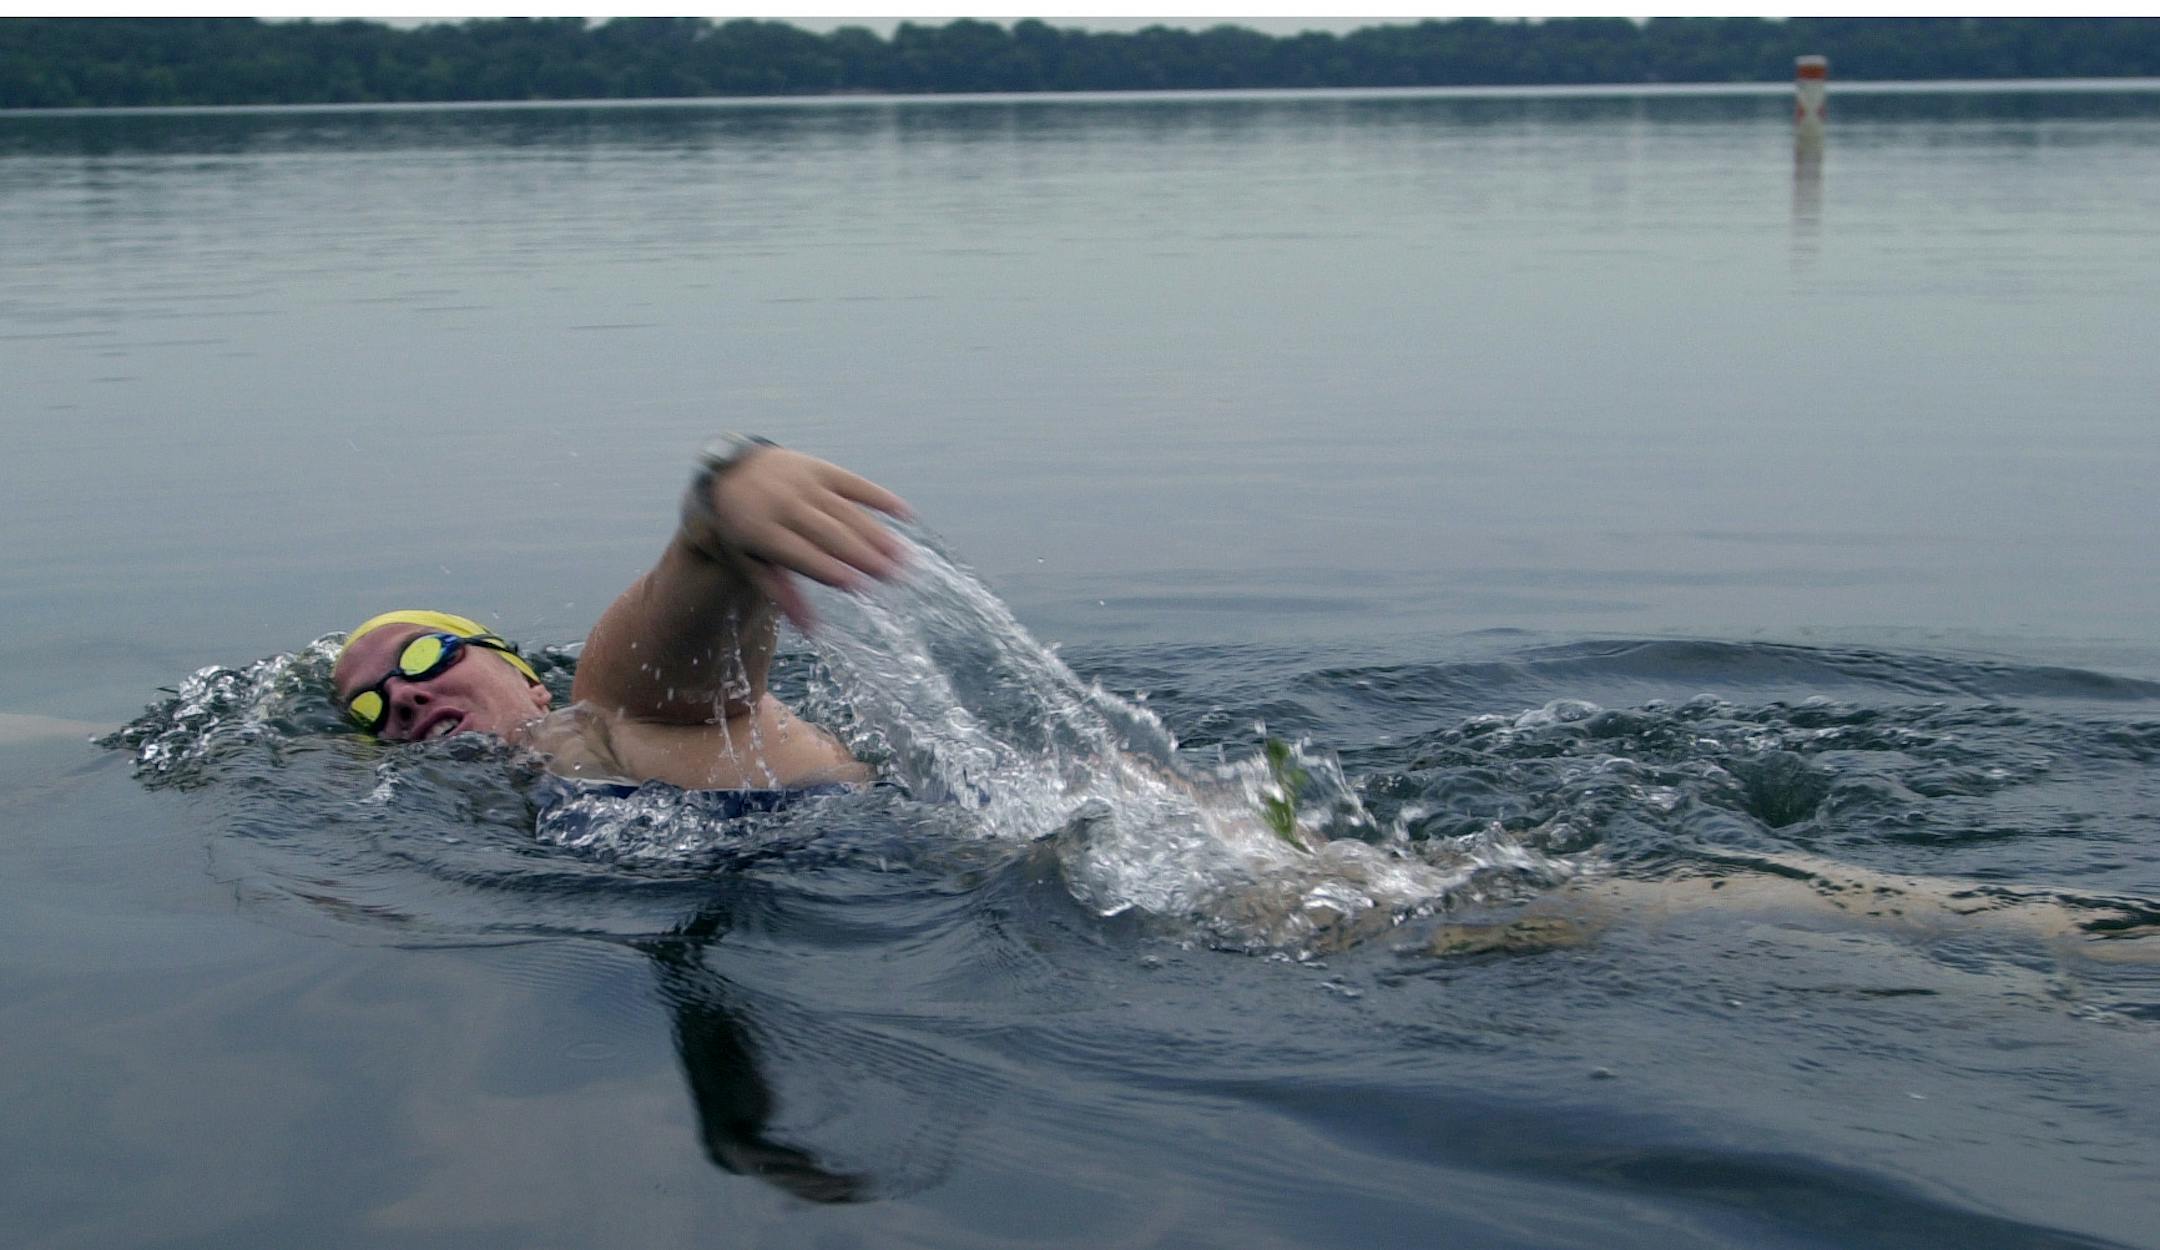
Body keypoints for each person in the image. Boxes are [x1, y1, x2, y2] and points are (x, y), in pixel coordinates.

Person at [330, 436, 910, 792]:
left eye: (424, 655)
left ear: (527, 678)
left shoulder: (605, 712)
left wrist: (721, 510)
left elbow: (674, 637)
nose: (404, 695)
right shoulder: (514, 804)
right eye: (369, 706)